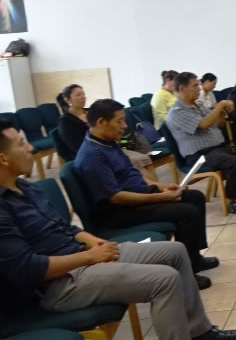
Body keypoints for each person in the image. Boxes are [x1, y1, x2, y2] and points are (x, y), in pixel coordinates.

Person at [0, 118, 236, 340]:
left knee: (175, 251)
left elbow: (64, 226)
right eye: (22, 144)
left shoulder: (26, 188)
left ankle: (199, 331)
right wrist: (89, 257)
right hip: (60, 285)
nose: (31, 148)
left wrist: (91, 241)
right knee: (165, 280)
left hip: (80, 256)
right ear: (3, 158)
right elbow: (26, 269)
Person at [72, 99, 217, 290]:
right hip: (119, 212)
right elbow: (116, 198)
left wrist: (161, 186)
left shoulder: (108, 143)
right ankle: (187, 272)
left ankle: (194, 258)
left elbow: (133, 175)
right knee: (186, 212)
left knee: (194, 197)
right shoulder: (93, 155)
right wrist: (160, 197)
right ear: (101, 122)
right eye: (119, 121)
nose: (124, 126)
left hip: (135, 198)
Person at [166, 72, 236, 215]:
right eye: (195, 85)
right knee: (235, 161)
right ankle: (234, 201)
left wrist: (221, 113)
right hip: (199, 155)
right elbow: (204, 124)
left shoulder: (198, 105)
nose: (199, 88)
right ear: (183, 88)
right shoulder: (176, 112)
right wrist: (220, 106)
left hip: (217, 148)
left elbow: (218, 124)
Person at [56, 84, 158, 182]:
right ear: (67, 99)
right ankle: (150, 188)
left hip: (110, 146)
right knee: (136, 161)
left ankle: (154, 188)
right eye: (78, 95)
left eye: (83, 94)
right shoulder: (65, 122)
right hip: (97, 153)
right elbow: (78, 147)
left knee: (144, 159)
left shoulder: (90, 112)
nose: (83, 97)